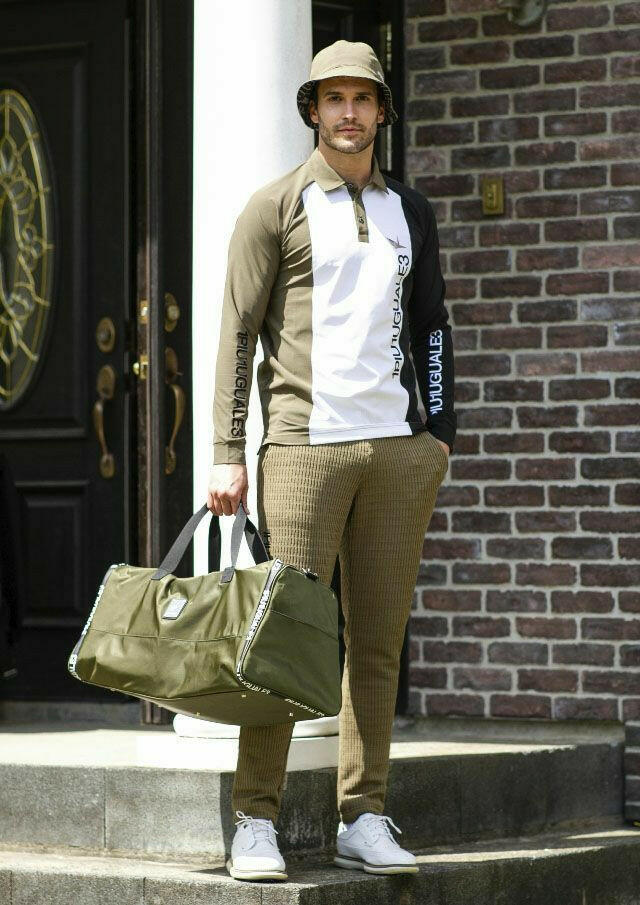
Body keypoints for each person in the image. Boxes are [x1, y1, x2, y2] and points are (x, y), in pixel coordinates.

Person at [207, 38, 456, 882]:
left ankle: (365, 812)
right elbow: (238, 332)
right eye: (334, 98)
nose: (349, 113)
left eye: (363, 98)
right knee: (286, 641)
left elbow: (433, 325)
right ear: (312, 109)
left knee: (378, 644)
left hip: (396, 453)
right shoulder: (273, 207)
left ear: (383, 111)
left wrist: (440, 431)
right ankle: (255, 818)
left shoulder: (411, 211)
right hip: (302, 450)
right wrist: (227, 451)